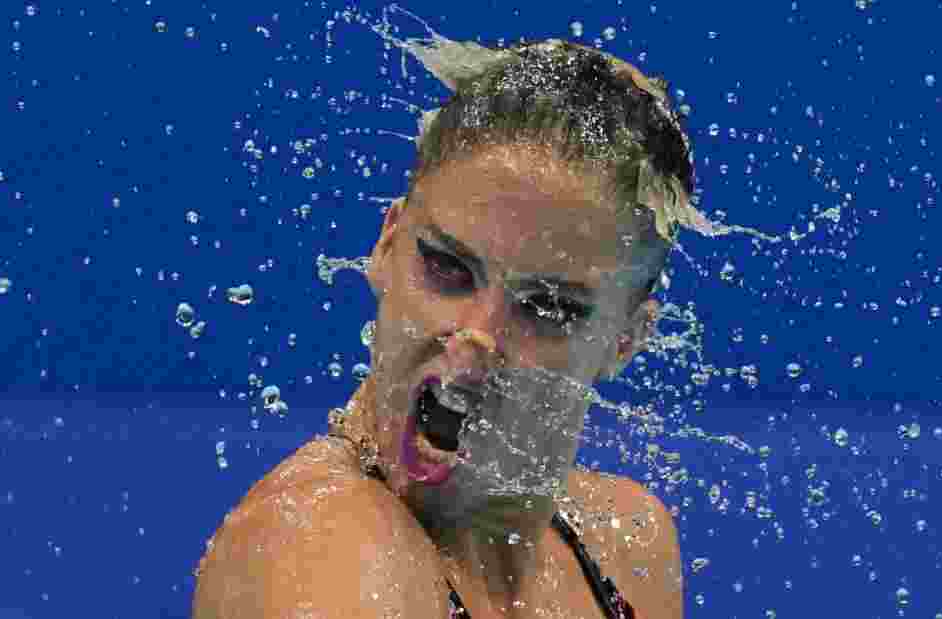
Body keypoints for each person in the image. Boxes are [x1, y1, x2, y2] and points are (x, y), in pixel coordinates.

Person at [192, 35, 703, 618]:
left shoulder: (629, 542)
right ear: (387, 243)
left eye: (546, 308)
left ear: (626, 339)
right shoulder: (326, 550)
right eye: (447, 268)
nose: (475, 339)